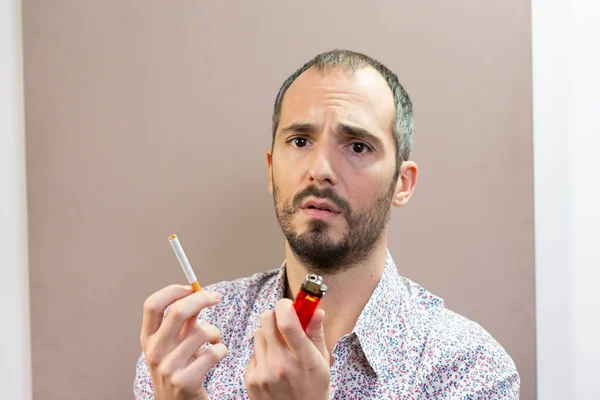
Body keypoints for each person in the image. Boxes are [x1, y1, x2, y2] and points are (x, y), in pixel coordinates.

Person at [134, 49, 520, 400]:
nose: (320, 171)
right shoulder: (189, 346)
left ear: (402, 184)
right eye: (300, 141)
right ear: (271, 170)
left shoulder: (467, 369)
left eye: (357, 146)